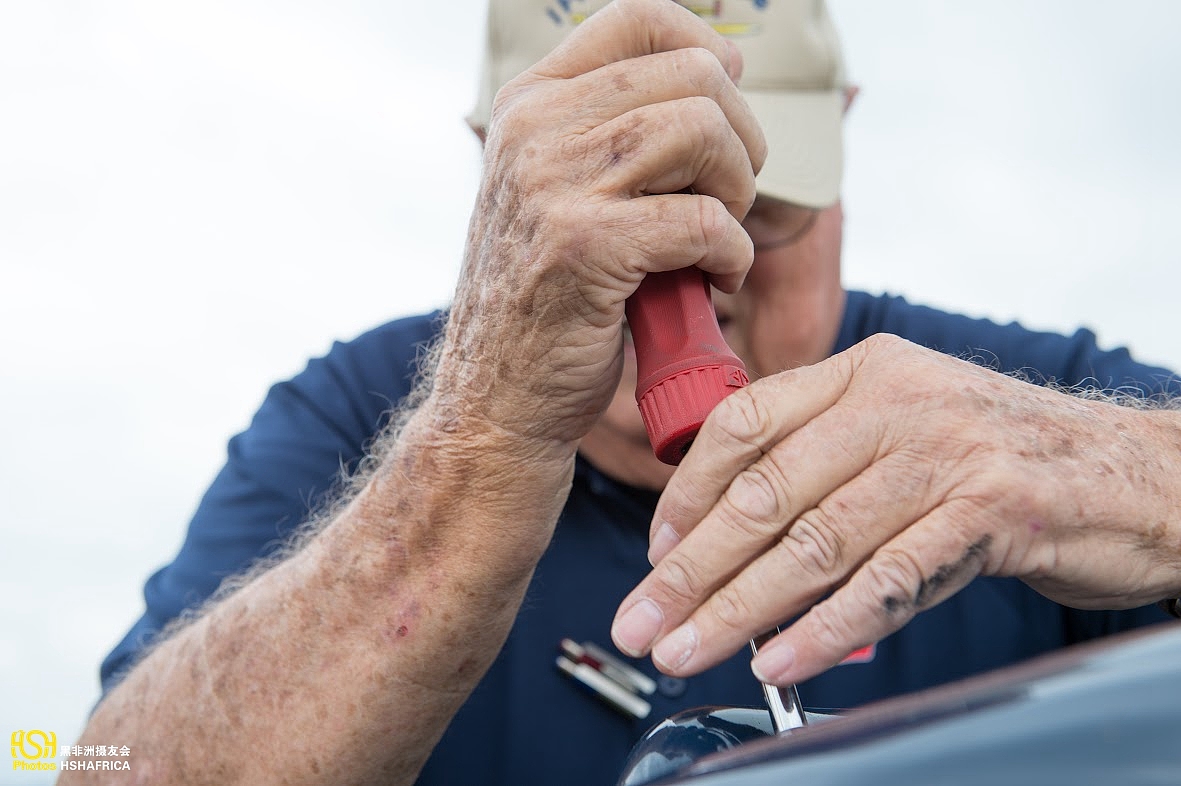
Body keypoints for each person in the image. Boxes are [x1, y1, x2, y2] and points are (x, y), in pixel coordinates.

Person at [68, 0, 1181, 784]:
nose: (699, 271)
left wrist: (1104, 473)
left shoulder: (1002, 404)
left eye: (759, 201)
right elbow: (107, 773)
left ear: (839, 132)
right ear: (492, 168)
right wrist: (476, 457)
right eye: (633, 207)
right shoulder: (355, 416)